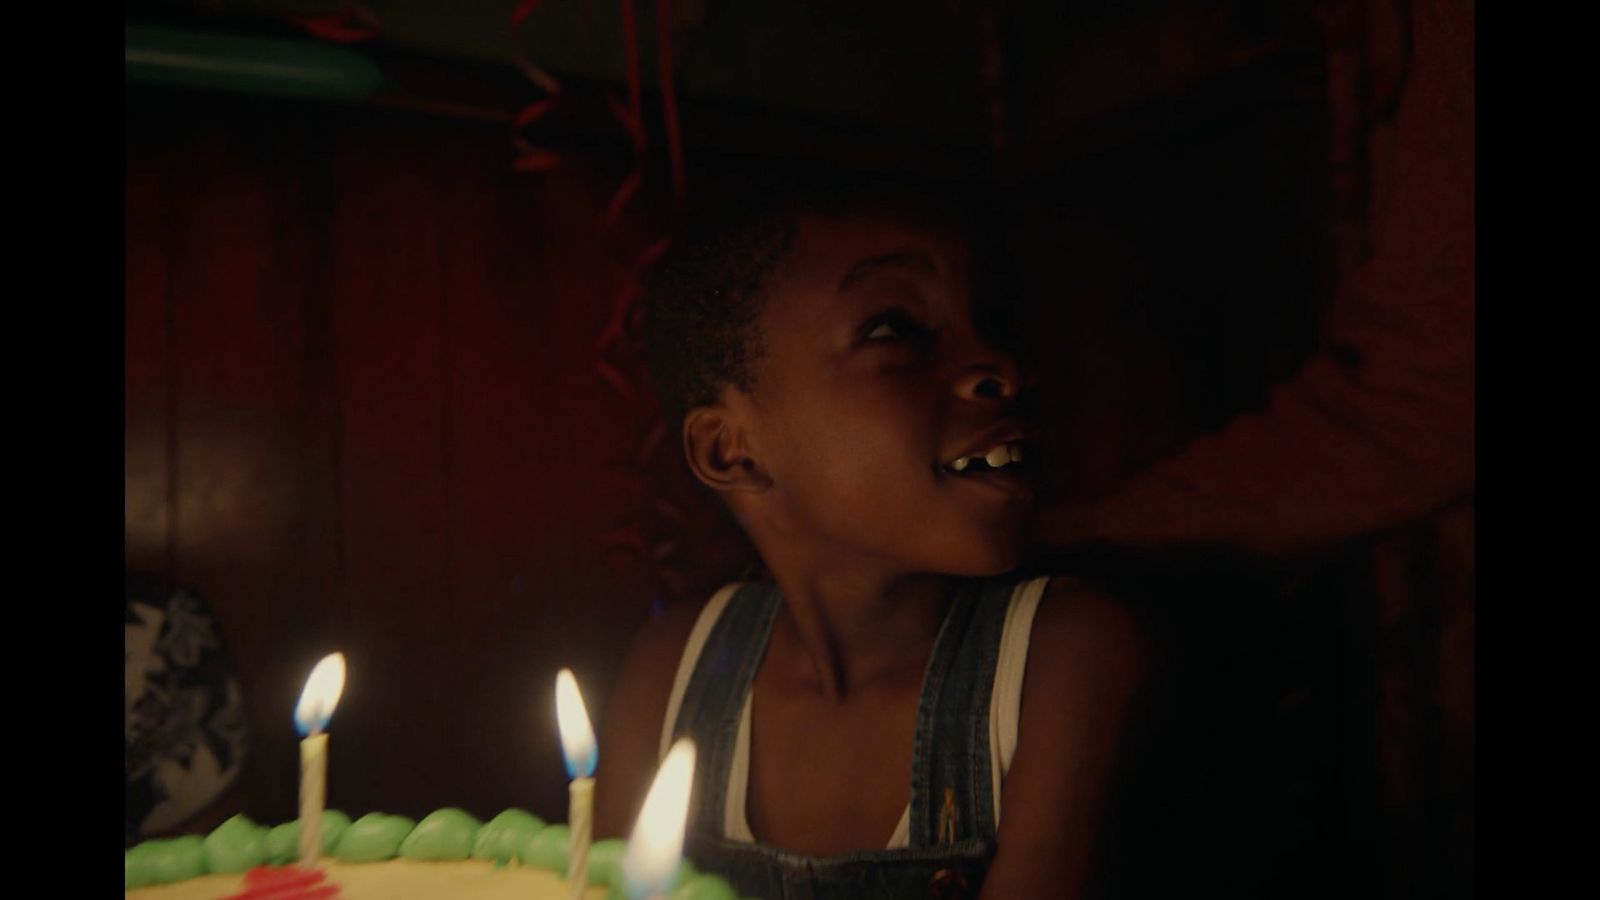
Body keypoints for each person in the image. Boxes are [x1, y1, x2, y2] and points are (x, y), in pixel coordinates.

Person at [593, 178, 1148, 900]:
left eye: (993, 324)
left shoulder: (1067, 657)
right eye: (896, 330)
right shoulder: (674, 673)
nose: (1001, 370)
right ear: (734, 452)